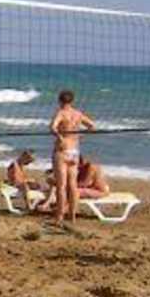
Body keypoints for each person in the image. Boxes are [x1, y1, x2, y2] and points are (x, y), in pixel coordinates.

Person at [48, 90, 97, 228]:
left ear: (59, 101)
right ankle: (72, 215)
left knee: (61, 186)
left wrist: (60, 138)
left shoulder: (61, 113)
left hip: (62, 151)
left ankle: (59, 216)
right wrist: (79, 136)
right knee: (73, 186)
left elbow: (52, 127)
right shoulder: (78, 114)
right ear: (72, 101)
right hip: (74, 151)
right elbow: (92, 126)